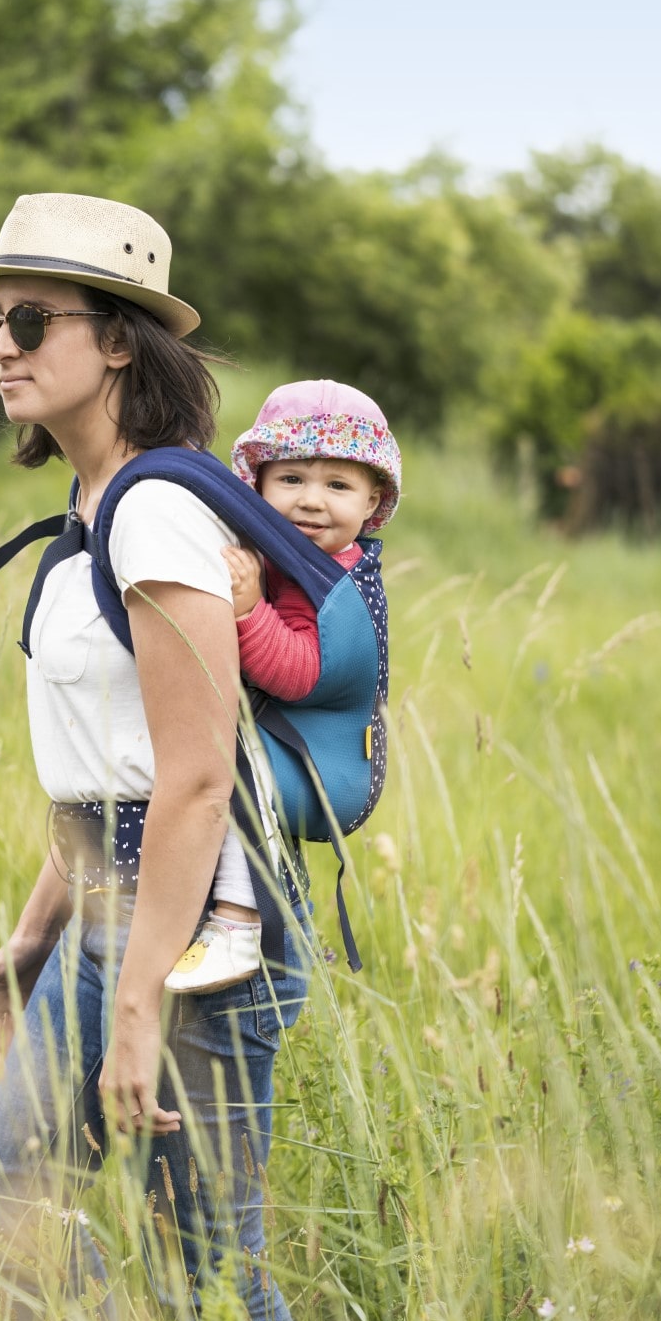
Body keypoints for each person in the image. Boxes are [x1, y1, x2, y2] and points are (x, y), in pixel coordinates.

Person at [0, 193, 312, 1321]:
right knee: (10, 1201)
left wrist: (140, 997)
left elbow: (196, 780)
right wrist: (33, 931)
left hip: (193, 926)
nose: (1, 345)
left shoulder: (155, 511)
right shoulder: (95, 508)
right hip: (109, 903)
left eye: (31, 320)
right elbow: (112, 763)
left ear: (117, 340)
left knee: (206, 1264)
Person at [163, 380, 401, 997]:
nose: (311, 502)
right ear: (259, 485)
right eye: (291, 480)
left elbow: (301, 673)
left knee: (231, 772)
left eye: (338, 485)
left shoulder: (329, 577)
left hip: (314, 757)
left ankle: (240, 921)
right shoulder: (288, 555)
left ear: (373, 500)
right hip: (291, 740)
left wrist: (247, 613)